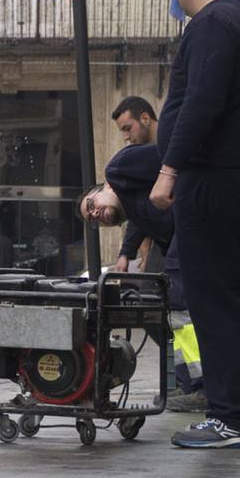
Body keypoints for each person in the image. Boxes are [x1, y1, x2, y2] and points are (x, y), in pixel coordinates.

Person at [150, 0, 240, 449]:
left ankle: (233, 419)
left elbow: (201, 102)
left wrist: (169, 170)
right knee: (230, 298)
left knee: (212, 301)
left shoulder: (212, 25)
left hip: (214, 179)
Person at [76, 144, 206, 412]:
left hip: (197, 219)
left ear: (106, 187)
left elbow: (172, 154)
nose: (96, 214)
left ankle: (204, 385)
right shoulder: (135, 213)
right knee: (176, 315)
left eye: (92, 204)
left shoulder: (118, 168)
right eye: (92, 219)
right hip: (193, 236)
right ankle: (196, 385)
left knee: (180, 312)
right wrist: (128, 252)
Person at [111, 95, 161, 273]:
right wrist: (126, 253)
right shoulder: (141, 157)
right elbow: (137, 209)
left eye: (128, 128)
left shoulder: (172, 142)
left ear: (145, 119)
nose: (126, 137)